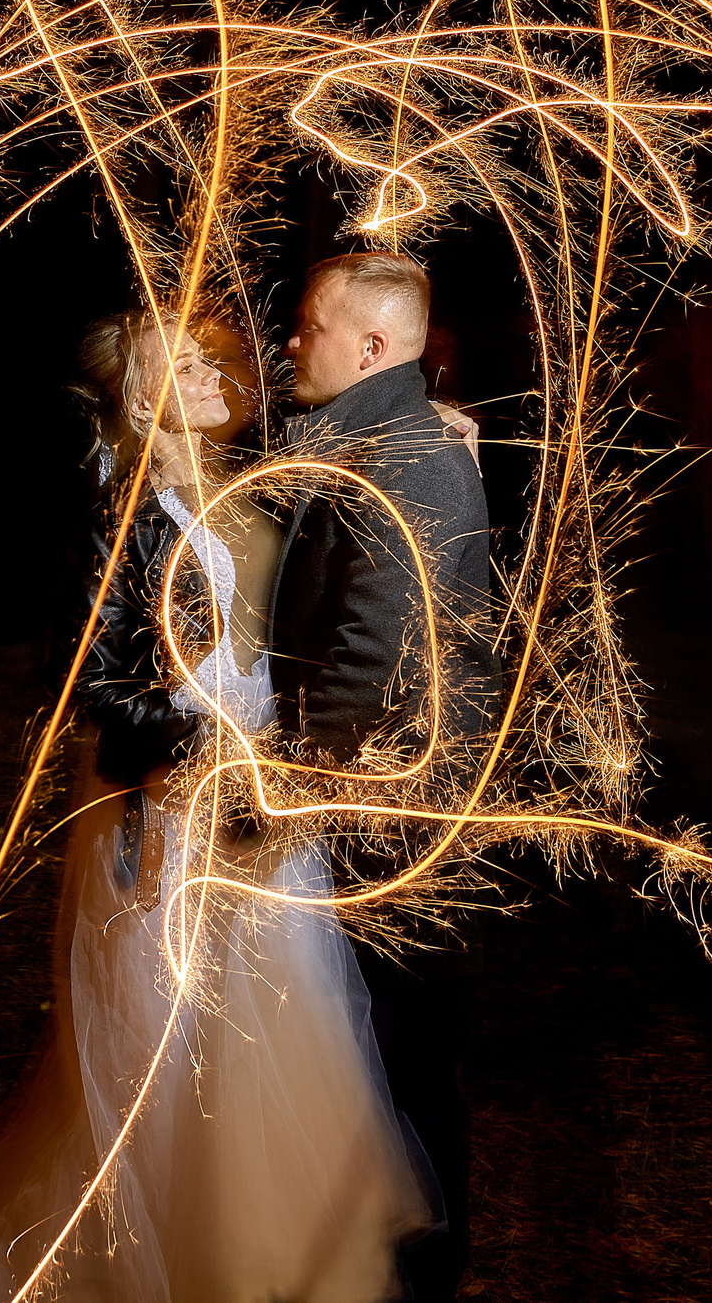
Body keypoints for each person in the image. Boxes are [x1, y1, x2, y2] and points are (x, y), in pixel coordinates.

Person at [0, 311, 434, 1303]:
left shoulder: (261, 484)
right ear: (137, 394)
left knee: (283, 1006)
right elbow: (89, 680)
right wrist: (200, 754)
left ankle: (278, 1246)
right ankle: (160, 1250)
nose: (220, 370)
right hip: (169, 799)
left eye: (221, 355)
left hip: (267, 789)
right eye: (188, 363)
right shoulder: (124, 513)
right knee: (171, 1029)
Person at [274, 250, 496, 1303]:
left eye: (308, 326)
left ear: (369, 347)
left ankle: (417, 1266)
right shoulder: (383, 439)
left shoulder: (407, 457)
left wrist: (296, 786)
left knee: (399, 1043)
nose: (289, 342)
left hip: (388, 806)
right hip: (381, 798)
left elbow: (378, 651)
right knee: (373, 1036)